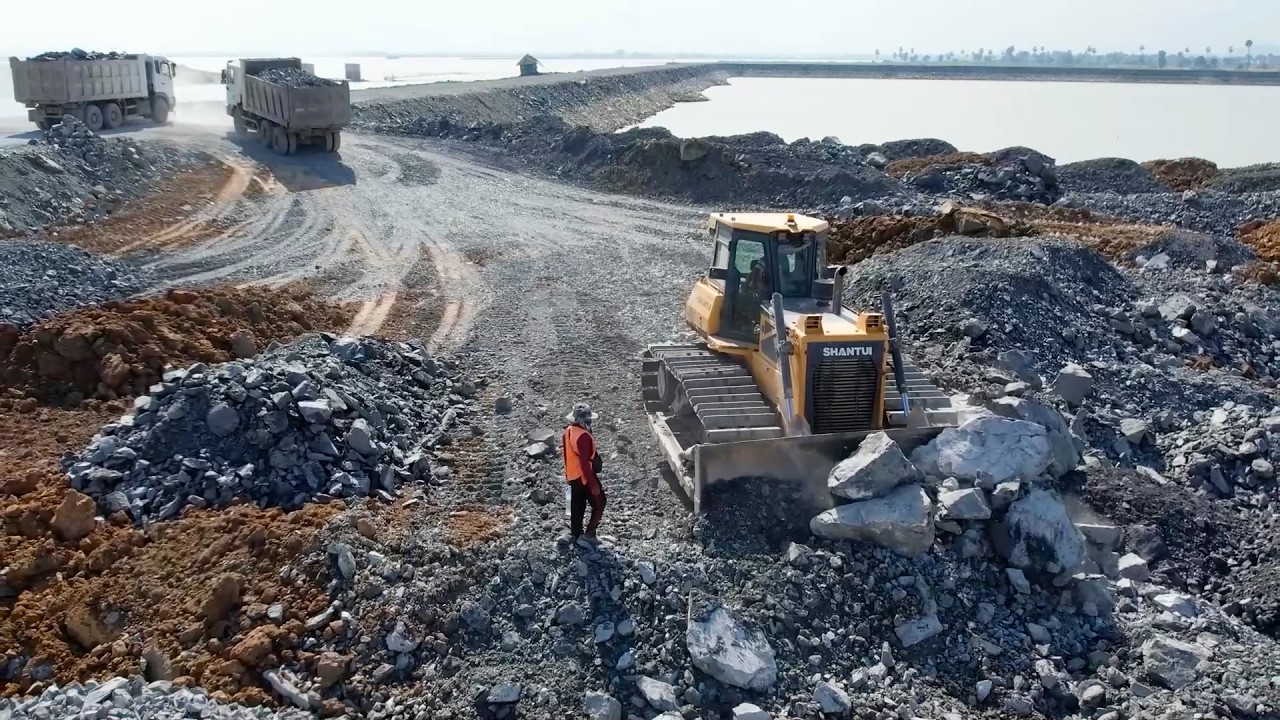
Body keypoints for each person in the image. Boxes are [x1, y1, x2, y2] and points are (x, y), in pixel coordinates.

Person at [562, 402, 605, 544]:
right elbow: (585, 463)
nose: (590, 422)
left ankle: (576, 534)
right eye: (588, 420)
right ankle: (590, 534)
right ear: (582, 421)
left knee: (577, 505)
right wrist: (592, 483)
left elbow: (567, 455)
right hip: (583, 476)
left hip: (573, 475)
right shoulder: (583, 437)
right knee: (600, 502)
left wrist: (568, 476)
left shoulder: (568, 431)